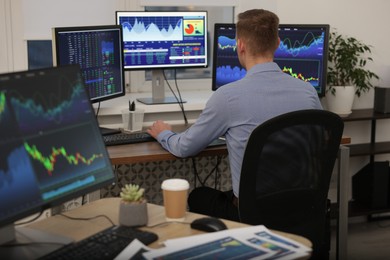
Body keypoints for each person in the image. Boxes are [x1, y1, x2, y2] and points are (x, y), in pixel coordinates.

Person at [147, 9, 322, 221]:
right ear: (277, 42)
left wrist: (164, 134)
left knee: (198, 195)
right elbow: (318, 143)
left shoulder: (228, 97)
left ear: (240, 46)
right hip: (300, 210)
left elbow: (185, 148)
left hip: (252, 213)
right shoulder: (308, 92)